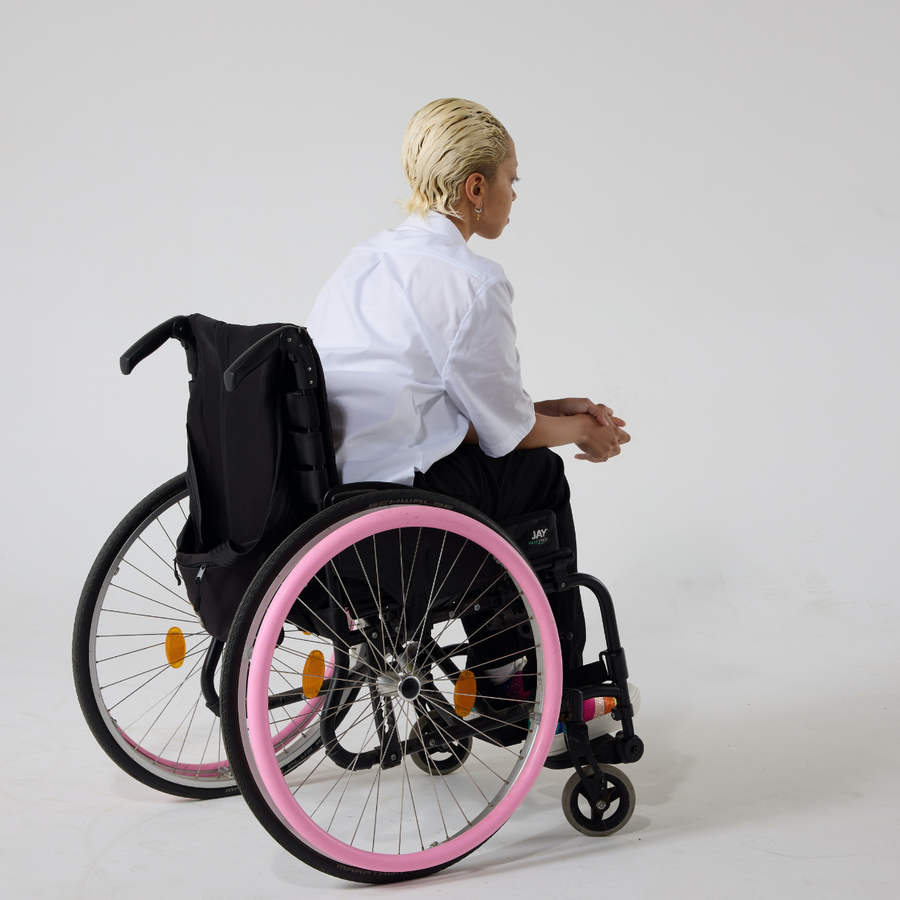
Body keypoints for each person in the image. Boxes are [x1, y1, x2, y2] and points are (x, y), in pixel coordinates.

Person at [306, 99, 637, 745]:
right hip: (405, 506)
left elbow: (427, 400)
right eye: (512, 179)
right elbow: (505, 435)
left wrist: (546, 410)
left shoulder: (364, 260)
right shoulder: (472, 278)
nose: (515, 194)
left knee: (507, 458)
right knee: (536, 475)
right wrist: (581, 430)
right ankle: (528, 685)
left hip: (331, 497)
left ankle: (497, 672)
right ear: (475, 188)